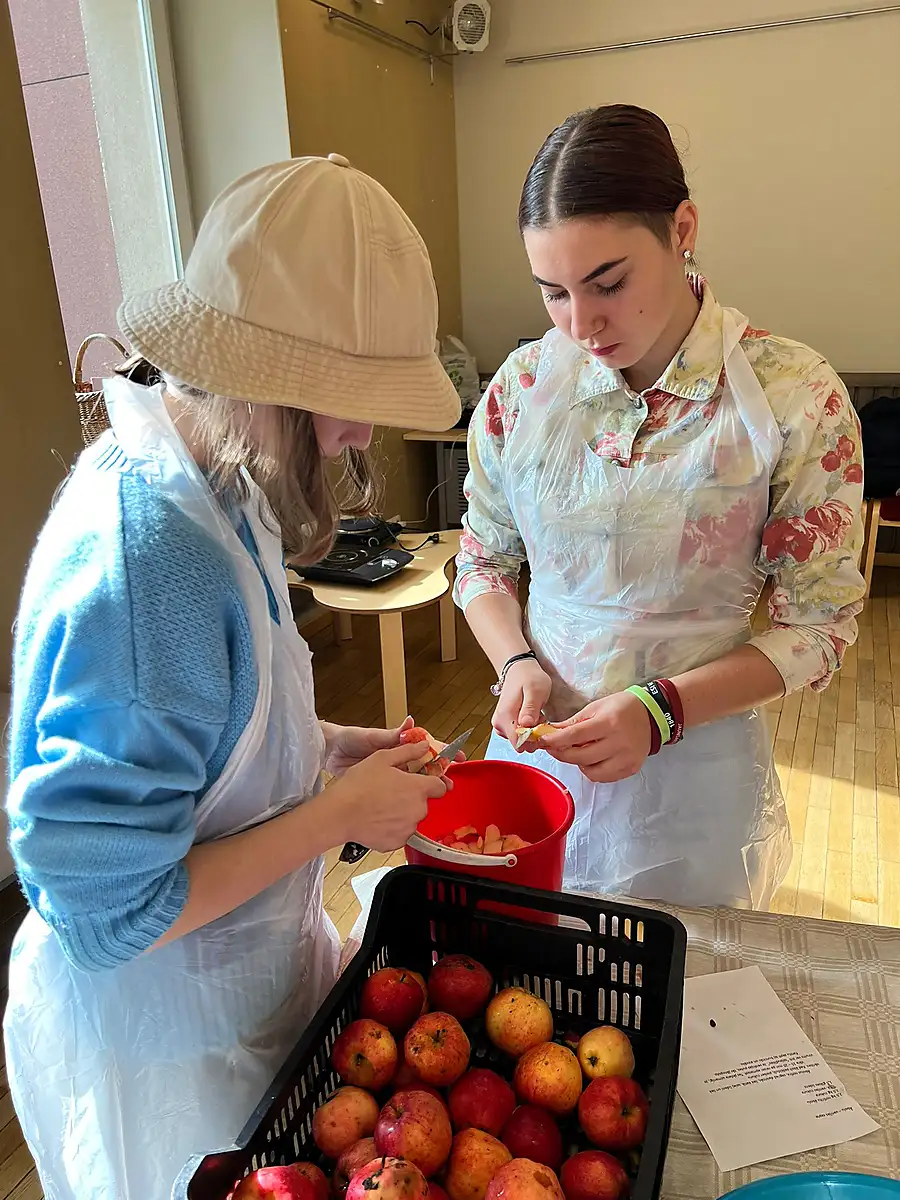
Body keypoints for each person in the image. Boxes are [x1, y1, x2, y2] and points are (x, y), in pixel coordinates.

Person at [4, 153, 461, 1199]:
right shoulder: (146, 561)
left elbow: (211, 738)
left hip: (245, 993)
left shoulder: (224, 478)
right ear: (255, 377)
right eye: (343, 400)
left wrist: (327, 750)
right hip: (171, 1047)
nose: (362, 433)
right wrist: (335, 813)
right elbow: (109, 914)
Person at [455, 105, 865, 909]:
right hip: (540, 760)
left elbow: (819, 627)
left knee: (682, 971)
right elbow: (483, 557)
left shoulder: (791, 395)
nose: (582, 324)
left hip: (695, 764)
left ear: (682, 230)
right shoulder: (524, 387)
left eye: (609, 283)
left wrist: (661, 710)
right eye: (553, 293)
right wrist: (514, 662)